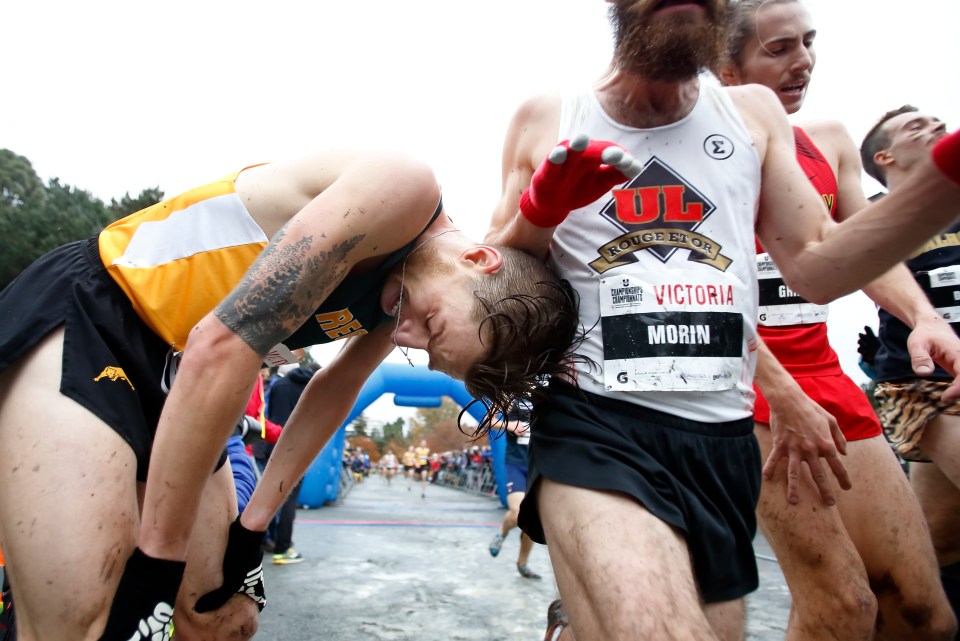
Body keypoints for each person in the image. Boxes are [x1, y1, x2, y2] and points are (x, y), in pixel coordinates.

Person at [484, 1, 960, 639]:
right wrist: (539, 214)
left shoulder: (753, 115)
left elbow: (816, 267)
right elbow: (495, 284)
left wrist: (944, 184)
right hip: (594, 423)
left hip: (721, 438)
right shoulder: (549, 115)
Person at [0, 148, 580, 640]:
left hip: (178, 368)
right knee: (77, 621)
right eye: (431, 324)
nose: (406, 334)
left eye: (423, 350)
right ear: (476, 261)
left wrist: (252, 529)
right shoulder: (404, 191)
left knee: (222, 616)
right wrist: (158, 559)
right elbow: (220, 345)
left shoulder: (410, 289)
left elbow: (335, 388)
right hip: (101, 315)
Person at [716, 2, 956, 638]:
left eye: (809, 42)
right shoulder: (697, 140)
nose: (804, 61)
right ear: (725, 64)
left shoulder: (828, 138)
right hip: (745, 382)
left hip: (825, 373)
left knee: (922, 613)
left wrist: (924, 317)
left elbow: (854, 243)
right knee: (843, 606)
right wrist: (778, 389)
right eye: (779, 49)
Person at [861, 105, 960, 605]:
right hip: (923, 386)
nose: (934, 127)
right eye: (914, 127)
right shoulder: (873, 218)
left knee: (937, 542)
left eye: (937, 121)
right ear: (886, 157)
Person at [264, 362, 320, 565]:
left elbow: (275, 419)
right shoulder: (313, 386)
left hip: (276, 446)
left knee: (270, 498)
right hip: (301, 448)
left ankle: (271, 544)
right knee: (287, 501)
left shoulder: (280, 386)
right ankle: (282, 547)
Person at [488, 398, 542, 580]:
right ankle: (501, 534)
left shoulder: (545, 391)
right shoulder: (510, 394)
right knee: (518, 511)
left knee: (532, 520)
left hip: (539, 464)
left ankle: (522, 564)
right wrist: (509, 425)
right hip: (516, 463)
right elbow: (489, 420)